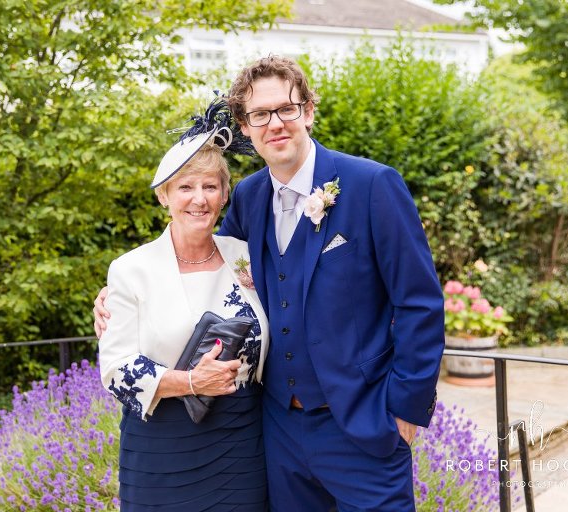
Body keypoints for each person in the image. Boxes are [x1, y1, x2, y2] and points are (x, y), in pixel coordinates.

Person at [96, 56, 444, 511]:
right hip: (277, 434)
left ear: (308, 111)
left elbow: (419, 303)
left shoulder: (372, 185)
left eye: (286, 108)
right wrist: (118, 297)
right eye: (260, 114)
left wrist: (405, 410)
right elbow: (210, 266)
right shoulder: (249, 197)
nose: (275, 123)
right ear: (245, 126)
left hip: (364, 426)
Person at [97, 100, 269, 512]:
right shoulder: (131, 270)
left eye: (210, 186)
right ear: (164, 195)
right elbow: (116, 369)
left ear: (224, 194)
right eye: (185, 187)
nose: (199, 199)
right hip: (161, 443)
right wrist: (191, 382)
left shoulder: (247, 257)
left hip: (242, 441)